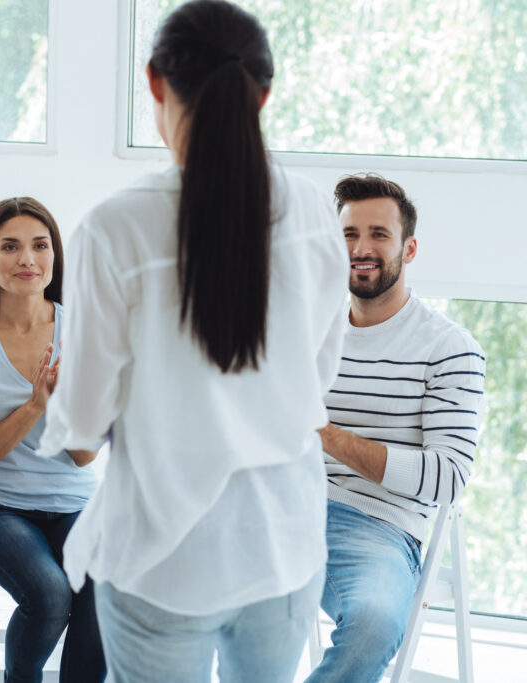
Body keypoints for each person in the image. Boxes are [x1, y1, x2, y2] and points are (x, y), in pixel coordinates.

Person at [38, 1, 351, 680]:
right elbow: (315, 382)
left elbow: (83, 425)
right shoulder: (320, 215)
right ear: (262, 93)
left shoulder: (114, 230)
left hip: (161, 559)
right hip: (283, 548)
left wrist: (70, 400)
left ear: (154, 82)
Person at [305, 174, 485, 682]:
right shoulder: (310, 333)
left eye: (379, 234)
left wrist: (328, 435)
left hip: (375, 524)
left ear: (408, 248)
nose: (361, 248)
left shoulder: (449, 348)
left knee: (373, 625)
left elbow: (448, 476)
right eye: (348, 235)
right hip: (279, 503)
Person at [0, 197, 105, 683]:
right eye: (10, 247)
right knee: (50, 592)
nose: (27, 259)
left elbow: (84, 455)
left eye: (39, 245)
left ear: (55, 256)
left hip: (75, 505)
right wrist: (32, 406)